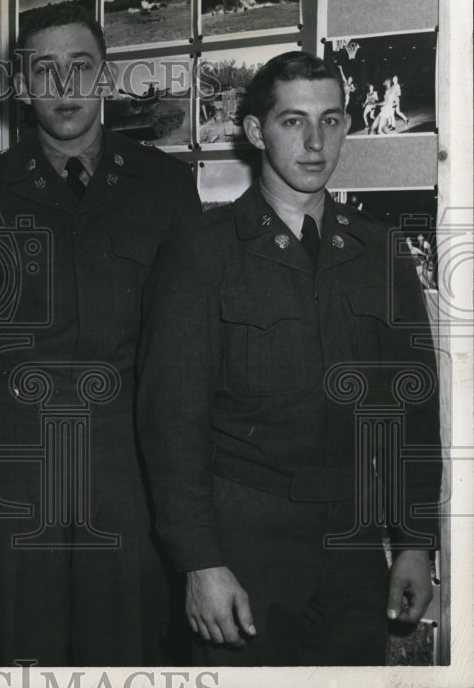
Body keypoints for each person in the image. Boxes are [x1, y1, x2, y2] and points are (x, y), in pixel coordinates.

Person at [137, 52, 441, 666]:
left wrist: (414, 542)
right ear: (256, 132)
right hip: (243, 547)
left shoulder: (379, 250)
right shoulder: (204, 252)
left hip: (352, 548)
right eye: (292, 121)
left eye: (330, 121)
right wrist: (201, 563)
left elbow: (413, 410)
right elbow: (171, 423)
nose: (314, 142)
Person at [0, 1, 201, 666]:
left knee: (129, 654)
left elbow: (187, 360)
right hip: (13, 474)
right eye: (44, 71)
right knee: (19, 652)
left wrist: (190, 512)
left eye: (80, 68)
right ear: (22, 86)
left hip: (127, 474)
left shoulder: (164, 188)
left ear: (105, 77)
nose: (65, 86)